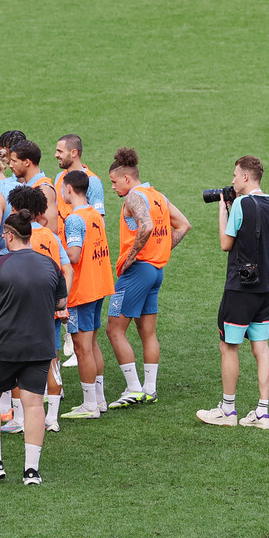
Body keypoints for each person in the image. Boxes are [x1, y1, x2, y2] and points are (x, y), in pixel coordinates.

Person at [0, 211, 67, 485]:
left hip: (3, 345)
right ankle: (31, 471)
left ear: (9, 235)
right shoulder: (49, 264)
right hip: (40, 345)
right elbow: (61, 303)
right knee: (34, 403)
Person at [197, 156, 269, 429]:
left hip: (240, 288)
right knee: (261, 347)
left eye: (235, 175)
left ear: (246, 177)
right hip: (265, 288)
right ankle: (262, 413)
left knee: (228, 346)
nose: (232, 181)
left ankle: (228, 410)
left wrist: (224, 210)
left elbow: (225, 243)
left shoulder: (243, 203)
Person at [106, 148, 191, 408]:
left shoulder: (134, 197)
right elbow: (184, 225)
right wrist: (161, 250)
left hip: (138, 271)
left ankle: (133, 388)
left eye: (114, 182)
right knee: (147, 331)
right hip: (156, 271)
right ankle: (149, 389)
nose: (112, 188)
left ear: (127, 179)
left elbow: (146, 226)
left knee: (113, 329)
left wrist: (132, 256)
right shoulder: (157, 196)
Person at [6, 185, 74, 432]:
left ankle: (20, 420)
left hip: (23, 310)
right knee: (52, 360)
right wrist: (61, 300)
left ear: (16, 207)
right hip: (50, 308)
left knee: (16, 360)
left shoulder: (16, 235)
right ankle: (52, 419)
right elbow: (68, 269)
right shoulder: (50, 235)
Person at [59, 171, 115, 420]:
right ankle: (99, 400)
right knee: (91, 344)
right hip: (99, 285)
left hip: (81, 290)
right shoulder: (94, 214)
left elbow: (73, 256)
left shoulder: (74, 219)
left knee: (82, 348)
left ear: (69, 188)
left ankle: (90, 404)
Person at [53, 134, 106, 239]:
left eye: (60, 151)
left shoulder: (92, 180)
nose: (56, 155)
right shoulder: (59, 177)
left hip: (80, 247)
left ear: (74, 153)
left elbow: (98, 220)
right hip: (63, 248)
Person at [8, 139, 58, 231]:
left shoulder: (44, 189)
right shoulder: (26, 185)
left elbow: (51, 229)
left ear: (27, 162)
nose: (10, 165)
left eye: (14, 161)